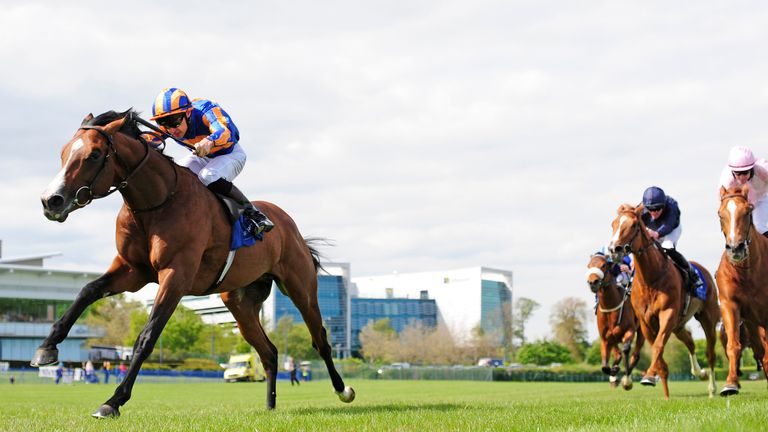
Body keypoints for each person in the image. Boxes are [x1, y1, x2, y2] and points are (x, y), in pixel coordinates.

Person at [146, 87, 273, 236]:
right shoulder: (169, 126)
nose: (172, 129)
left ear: (187, 113)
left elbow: (226, 133)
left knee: (207, 176)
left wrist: (210, 142)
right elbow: (148, 139)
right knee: (176, 175)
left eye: (174, 121)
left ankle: (254, 214)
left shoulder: (205, 109)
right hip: (202, 157)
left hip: (230, 154)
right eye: (164, 123)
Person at [641, 186, 702, 294]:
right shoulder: (642, 209)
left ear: (664, 205)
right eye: (651, 209)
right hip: (652, 229)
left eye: (657, 209)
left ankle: (692, 274)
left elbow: (668, 225)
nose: (654, 212)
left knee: (667, 247)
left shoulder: (672, 206)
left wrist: (657, 233)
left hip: (671, 230)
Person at [719, 145, 768, 237]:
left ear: (752, 169)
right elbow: (724, 202)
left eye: (745, 173)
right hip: (740, 205)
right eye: (738, 173)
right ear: (732, 171)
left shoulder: (763, 170)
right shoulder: (727, 181)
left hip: (761, 200)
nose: (741, 177)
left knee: (759, 227)